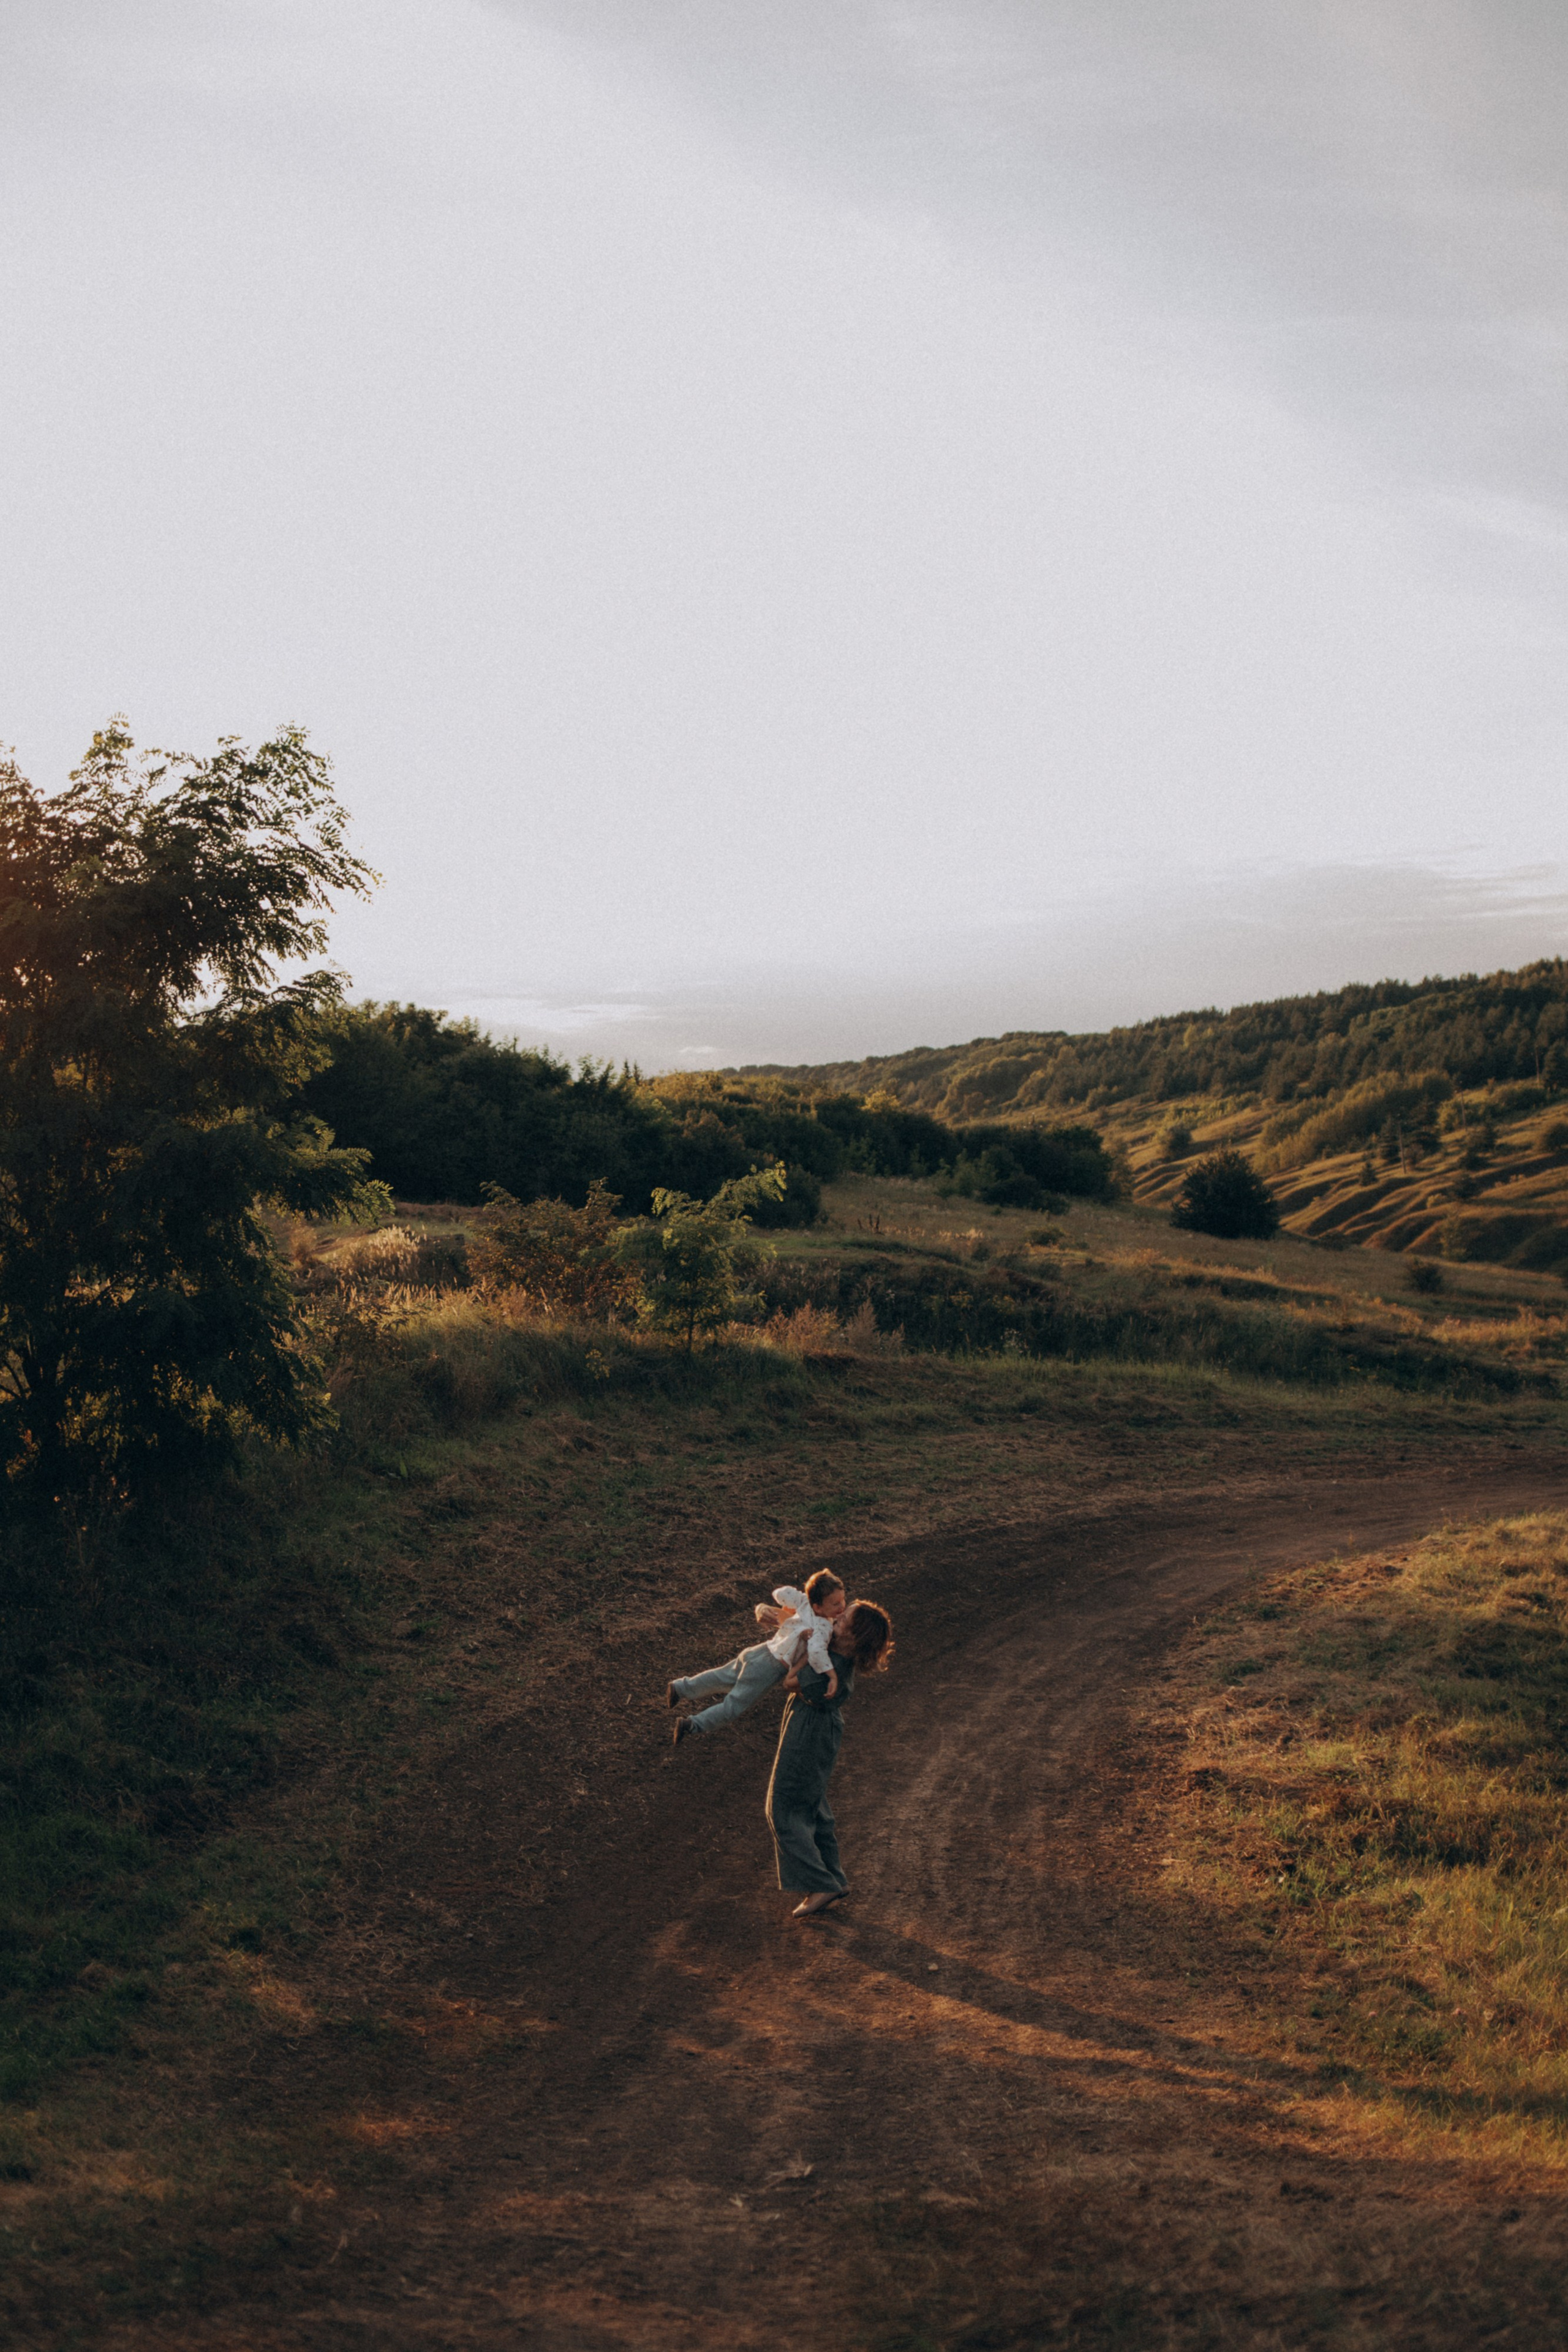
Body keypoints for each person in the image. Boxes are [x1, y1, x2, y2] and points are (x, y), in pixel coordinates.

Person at [767, 1598, 894, 1920]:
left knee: (783, 1807)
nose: (835, 1620)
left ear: (852, 1638)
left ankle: (821, 1884)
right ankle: (833, 1878)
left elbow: (789, 1683)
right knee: (812, 1805)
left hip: (809, 1732)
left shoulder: (831, 1663)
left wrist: (804, 1656)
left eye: (842, 1622)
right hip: (818, 1731)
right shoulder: (838, 1657)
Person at [666, 1571, 845, 1743]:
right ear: (818, 1607)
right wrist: (831, 1673)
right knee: (734, 1706)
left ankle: (679, 1687)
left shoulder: (804, 1602)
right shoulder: (823, 1627)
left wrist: (794, 1599)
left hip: (761, 1650)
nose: (842, 1606)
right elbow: (816, 1653)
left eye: (842, 1600)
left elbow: (781, 1593)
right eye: (836, 1604)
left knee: (721, 1676)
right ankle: (691, 1725)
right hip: (769, 1668)